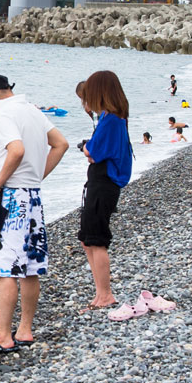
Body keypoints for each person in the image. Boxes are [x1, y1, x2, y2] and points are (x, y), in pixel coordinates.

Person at [0, 73, 68, 354]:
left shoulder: (4, 113)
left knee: (6, 267)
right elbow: (61, 143)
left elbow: (17, 149)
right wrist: (37, 177)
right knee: (31, 266)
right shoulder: (32, 111)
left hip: (11, 196)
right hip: (32, 195)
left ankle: (3, 337)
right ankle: (24, 330)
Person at [74, 71, 133, 311]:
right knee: (88, 240)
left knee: (96, 240)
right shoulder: (113, 117)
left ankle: (105, 294)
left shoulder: (112, 120)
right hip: (101, 182)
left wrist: (87, 148)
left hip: (103, 183)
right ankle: (100, 293)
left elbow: (93, 152)